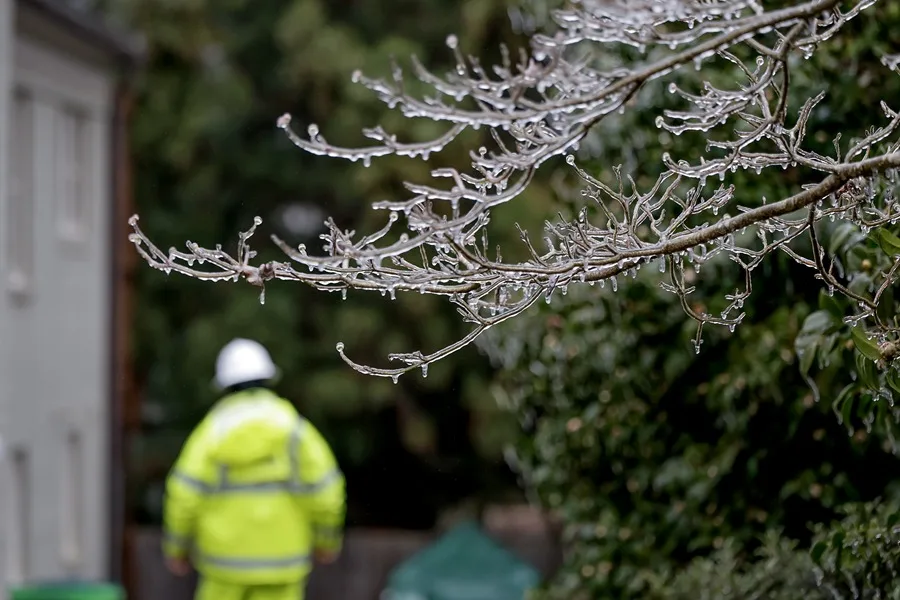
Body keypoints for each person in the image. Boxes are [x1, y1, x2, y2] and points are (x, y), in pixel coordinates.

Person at [162, 338, 346, 600]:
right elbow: (326, 492)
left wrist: (177, 549)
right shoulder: (294, 429)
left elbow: (183, 495)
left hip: (223, 568)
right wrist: (326, 541)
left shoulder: (211, 433)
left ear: (224, 384)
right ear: (268, 377)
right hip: (282, 566)